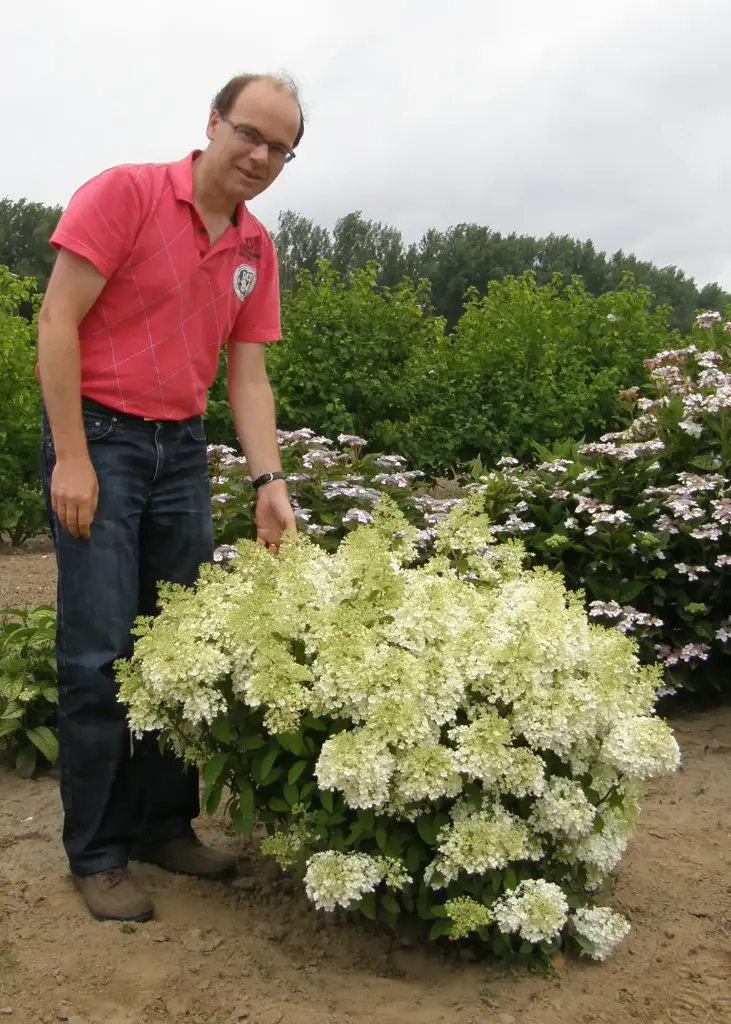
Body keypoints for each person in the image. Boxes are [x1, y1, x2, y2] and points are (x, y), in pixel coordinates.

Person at [36, 73, 301, 924]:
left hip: (182, 452)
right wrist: (72, 457)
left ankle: (160, 826)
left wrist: (269, 482)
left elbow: (248, 374)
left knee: (173, 647)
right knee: (98, 653)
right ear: (214, 123)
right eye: (250, 134)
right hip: (103, 441)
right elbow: (57, 321)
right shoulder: (126, 194)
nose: (259, 155)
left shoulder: (255, 248)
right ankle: (99, 851)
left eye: (281, 148)